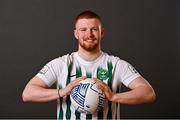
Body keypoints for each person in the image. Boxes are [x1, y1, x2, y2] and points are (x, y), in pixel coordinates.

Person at [22, 10, 156, 119]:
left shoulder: (116, 65)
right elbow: (28, 94)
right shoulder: (61, 64)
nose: (89, 34)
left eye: (94, 29)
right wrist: (62, 92)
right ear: (76, 33)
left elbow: (148, 93)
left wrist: (114, 96)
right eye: (83, 29)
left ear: (102, 32)